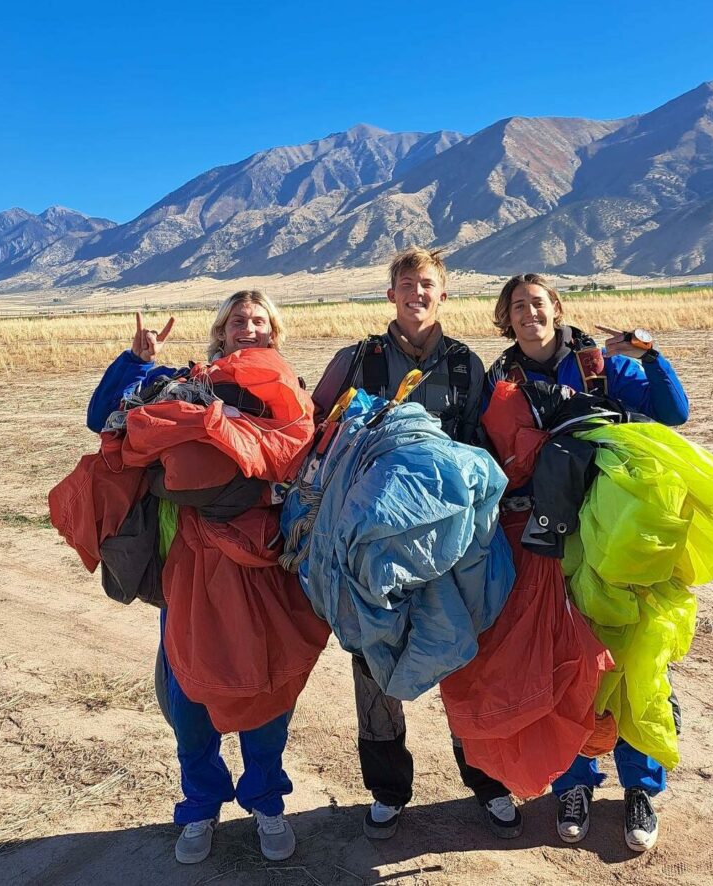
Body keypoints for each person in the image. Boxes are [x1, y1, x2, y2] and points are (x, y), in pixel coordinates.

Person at [312, 247, 523, 840]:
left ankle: (487, 781)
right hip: (376, 545)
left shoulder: (466, 365)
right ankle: (387, 790)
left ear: (443, 294)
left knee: (466, 656)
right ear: (391, 295)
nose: (416, 293)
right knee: (374, 657)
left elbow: (489, 443)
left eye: (427, 284)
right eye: (406, 285)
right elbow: (314, 430)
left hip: (455, 539)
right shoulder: (357, 361)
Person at [86, 292, 300, 865]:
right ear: (221, 332)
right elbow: (101, 415)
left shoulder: (287, 391)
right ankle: (200, 805)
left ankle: (266, 800)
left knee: (264, 682)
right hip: (188, 563)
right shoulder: (184, 381)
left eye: (259, 321)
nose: (248, 328)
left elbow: (305, 458)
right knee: (188, 693)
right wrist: (136, 361)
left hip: (260, 564)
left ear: (273, 332)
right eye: (238, 321)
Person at [485, 273, 689, 853]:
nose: (530, 314)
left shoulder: (600, 364)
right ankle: (575, 784)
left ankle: (641, 787)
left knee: (632, 658)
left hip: (619, 536)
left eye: (538, 303)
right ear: (507, 317)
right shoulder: (501, 380)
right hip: (548, 544)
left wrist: (651, 358)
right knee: (568, 664)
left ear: (557, 309)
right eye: (518, 306)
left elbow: (673, 413)